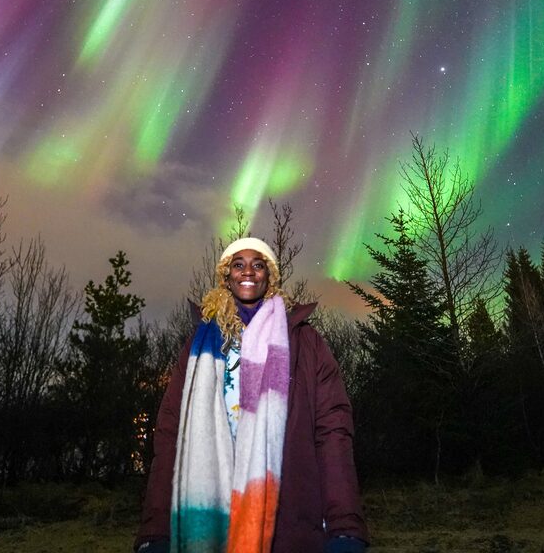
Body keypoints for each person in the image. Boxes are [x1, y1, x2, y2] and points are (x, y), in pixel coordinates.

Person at [135, 237, 369, 553]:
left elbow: (333, 433)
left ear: (269, 276)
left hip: (286, 518)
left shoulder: (305, 341)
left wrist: (345, 527)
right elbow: (170, 434)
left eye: (258, 264)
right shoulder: (198, 343)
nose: (248, 272)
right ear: (226, 275)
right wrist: (156, 530)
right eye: (238, 264)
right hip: (213, 513)